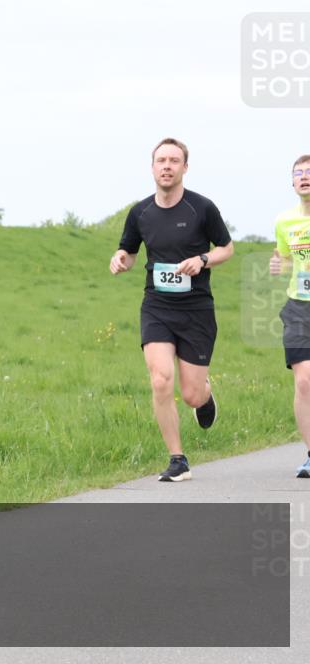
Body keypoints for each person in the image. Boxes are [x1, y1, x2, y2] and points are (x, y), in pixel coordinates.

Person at [110, 138, 234, 482]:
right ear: (152, 168)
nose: (167, 166)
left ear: (185, 168)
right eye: (161, 160)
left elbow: (227, 248)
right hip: (157, 307)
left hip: (196, 310)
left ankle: (205, 395)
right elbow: (129, 251)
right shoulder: (140, 212)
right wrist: (121, 259)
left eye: (174, 161)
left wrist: (203, 259)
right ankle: (177, 459)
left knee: (191, 394)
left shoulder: (202, 208)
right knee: (161, 379)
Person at [268, 154, 310, 478]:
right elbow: (282, 258)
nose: (304, 177)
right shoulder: (285, 221)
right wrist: (276, 264)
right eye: (298, 173)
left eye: (309, 172)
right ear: (292, 182)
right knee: (305, 381)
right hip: (298, 306)